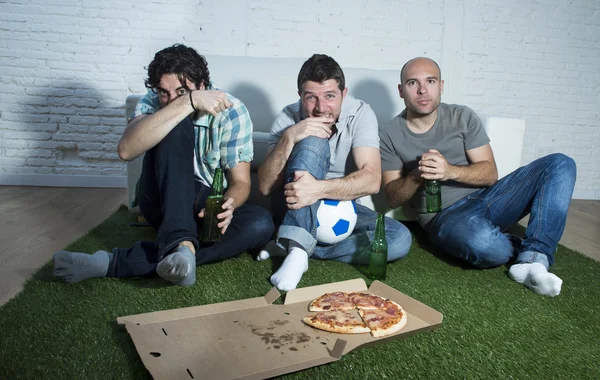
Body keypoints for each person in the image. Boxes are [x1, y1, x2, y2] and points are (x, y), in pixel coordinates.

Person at [53, 44, 274, 286]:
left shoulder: (232, 111)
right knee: (174, 121)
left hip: (201, 205)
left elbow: (241, 183)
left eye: (182, 91)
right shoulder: (155, 102)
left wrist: (227, 205)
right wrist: (186, 102)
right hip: (158, 198)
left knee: (261, 222)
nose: (169, 99)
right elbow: (126, 150)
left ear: (203, 86)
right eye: (164, 92)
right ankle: (183, 242)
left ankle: (121, 261)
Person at [379, 57, 576, 297]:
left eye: (430, 81)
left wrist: (449, 170)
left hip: (489, 197)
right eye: (412, 83)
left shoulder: (462, 116)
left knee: (560, 164)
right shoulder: (388, 133)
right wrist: (416, 175)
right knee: (485, 245)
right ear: (401, 90)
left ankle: (534, 258)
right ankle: (523, 249)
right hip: (444, 216)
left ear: (441, 85)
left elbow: (490, 174)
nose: (422, 90)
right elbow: (391, 197)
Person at [257, 54, 412, 291]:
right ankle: (298, 250)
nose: (320, 108)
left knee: (399, 239)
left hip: (339, 206)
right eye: (311, 98)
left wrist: (318, 190)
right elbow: (266, 187)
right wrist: (290, 136)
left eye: (330, 96)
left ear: (343, 93)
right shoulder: (288, 117)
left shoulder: (361, 114)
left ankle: (291, 244)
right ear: (300, 96)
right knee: (314, 139)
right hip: (293, 202)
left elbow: (372, 180)